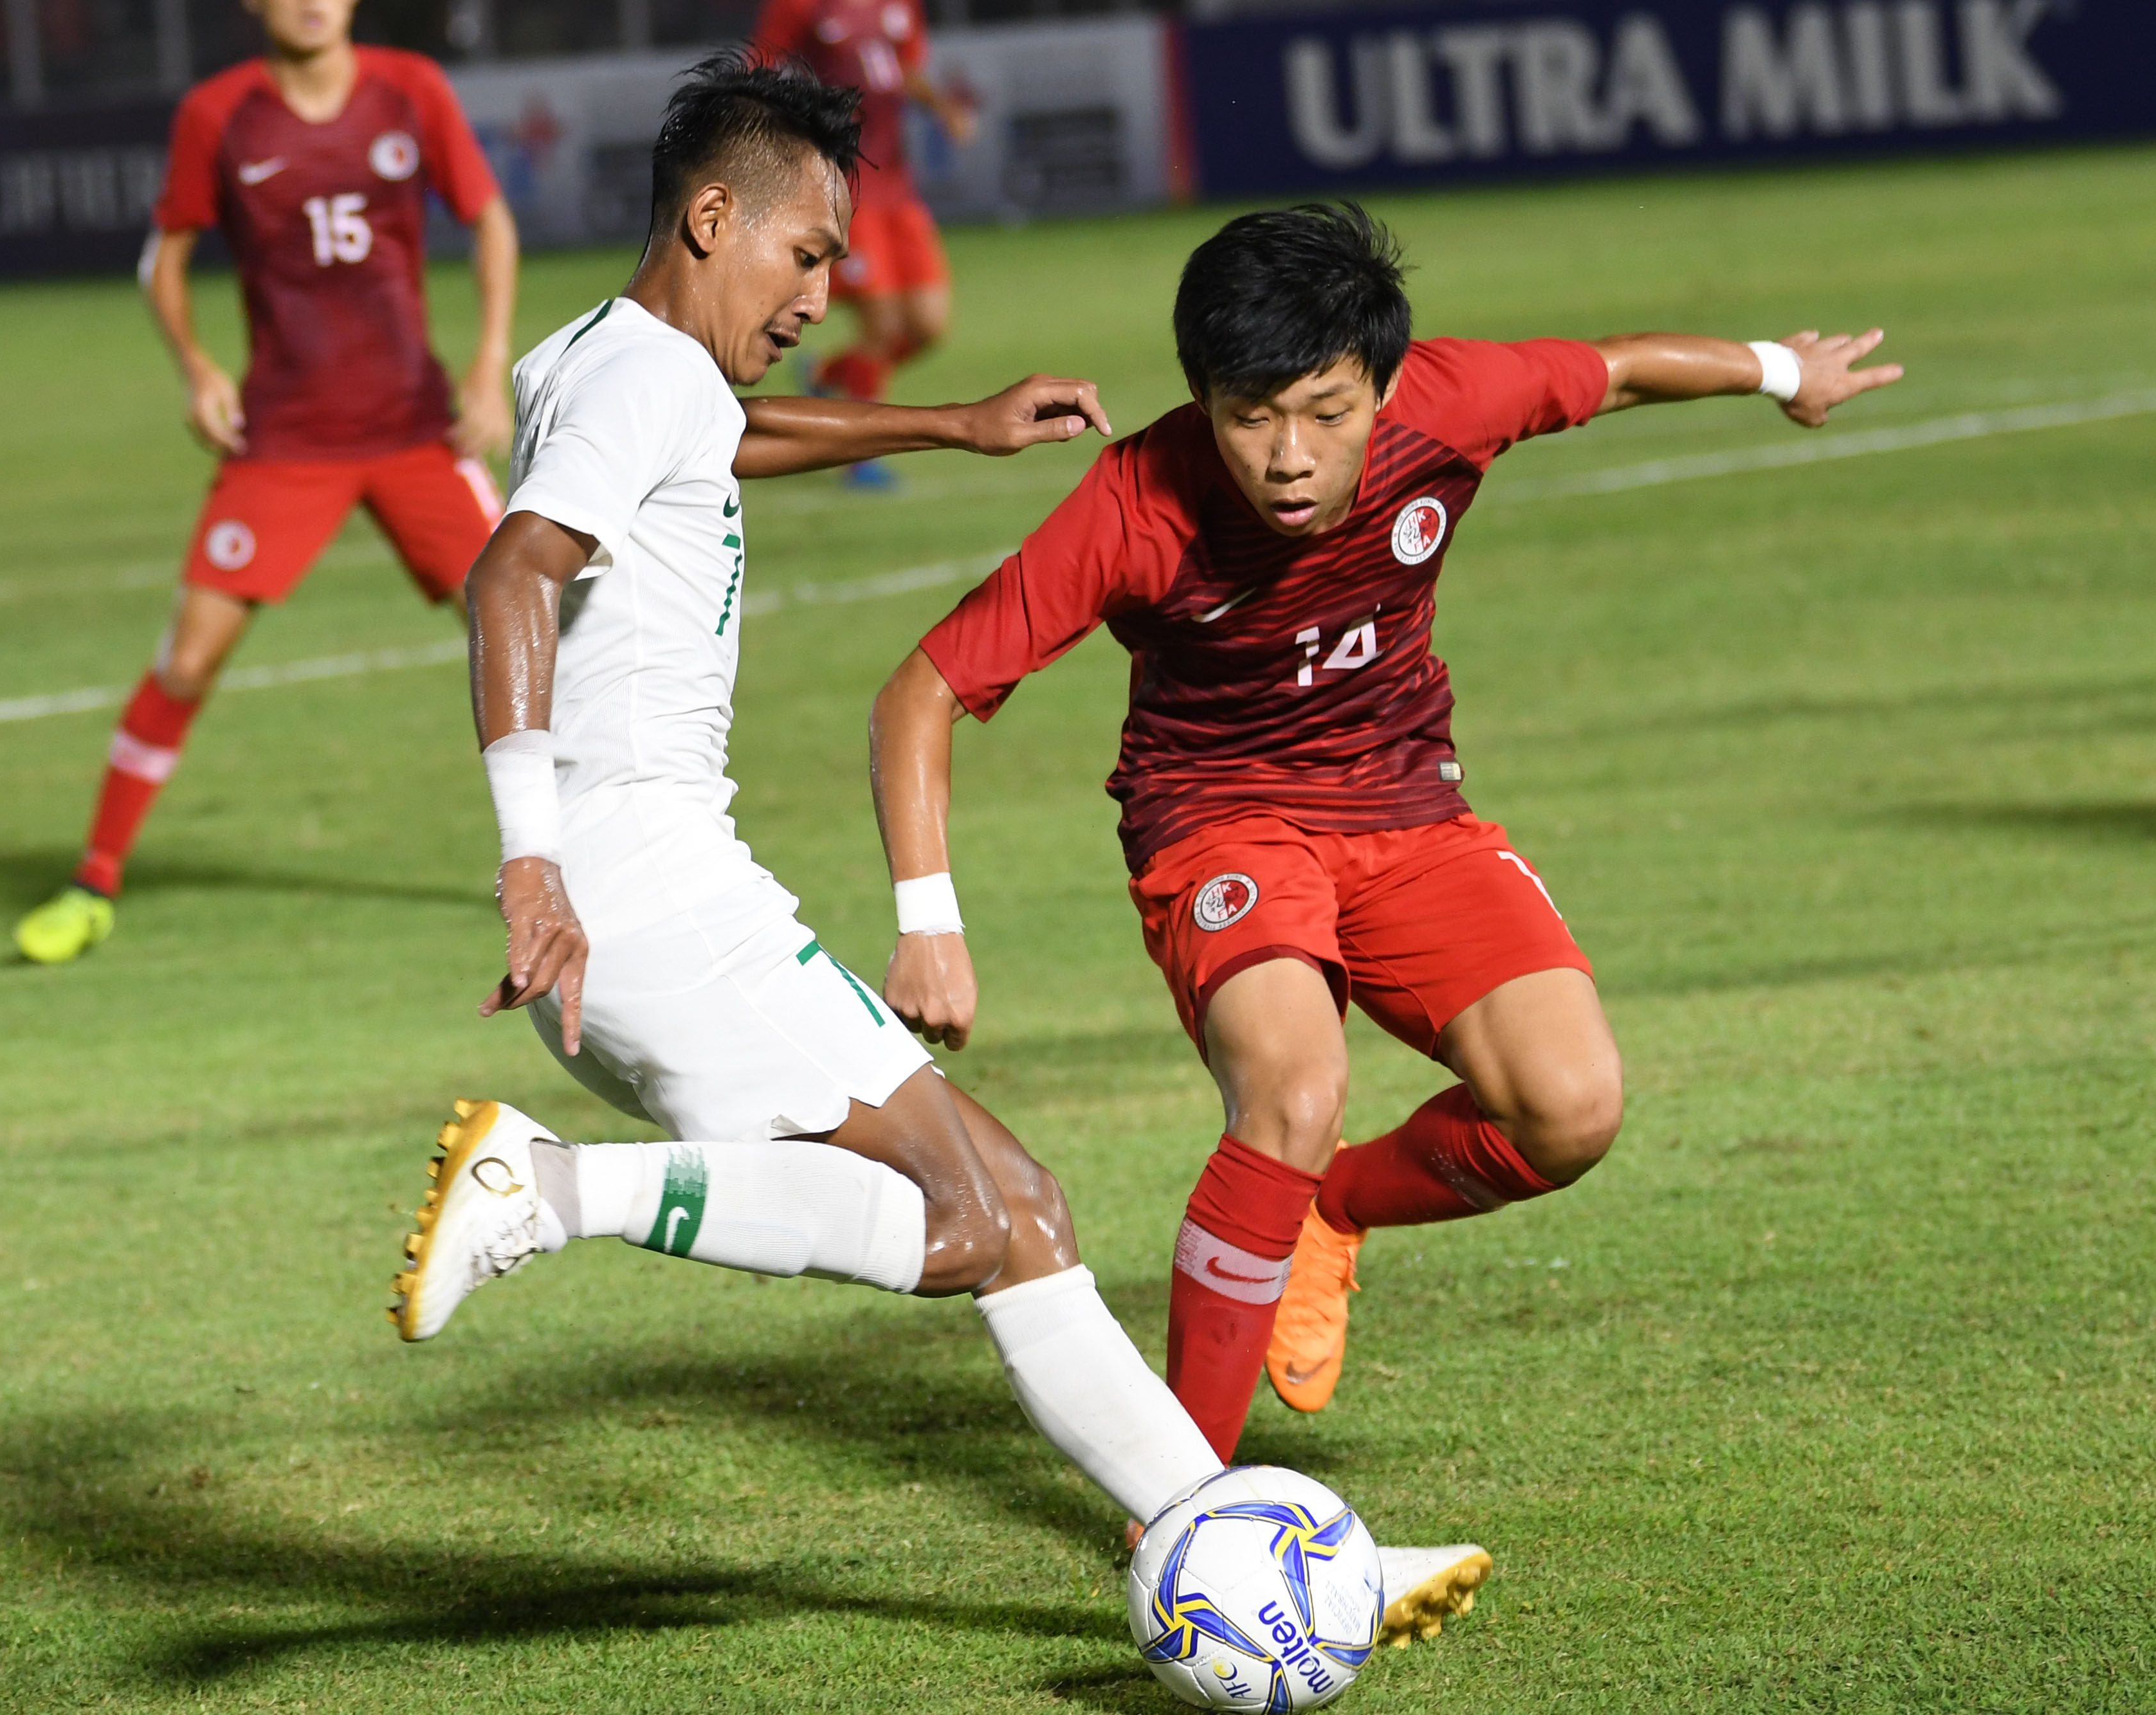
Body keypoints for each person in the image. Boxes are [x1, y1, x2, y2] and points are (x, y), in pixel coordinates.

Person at [386, 56, 1491, 1652]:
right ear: (712, 217)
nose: (821, 293)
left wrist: (949, 425)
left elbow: (720, 433)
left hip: (649, 887)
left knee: (1014, 1213)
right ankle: (549, 1187)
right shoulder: (642, 381)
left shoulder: (599, 359)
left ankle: (1256, 1550)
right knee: (986, 1217)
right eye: (805, 254)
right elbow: (509, 575)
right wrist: (529, 861)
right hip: (647, 884)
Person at [868, 203, 1903, 1463]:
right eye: (1249, 417)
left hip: (1406, 803)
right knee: (1293, 1091)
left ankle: (1333, 1207)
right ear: (1201, 401)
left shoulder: (1452, 403)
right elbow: (922, 692)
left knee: (1570, 1108)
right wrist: (928, 921)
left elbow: (1619, 369)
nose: (1289, 457)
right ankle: (1183, 1498)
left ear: (1385, 385)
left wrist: (1785, 372)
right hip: (1220, 818)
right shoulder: (1134, 504)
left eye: (1326, 411)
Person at [15, 0, 517, 965]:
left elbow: (489, 220)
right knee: (188, 659)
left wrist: (489, 362)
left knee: (528, 641)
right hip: (283, 440)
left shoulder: (411, 90)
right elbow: (164, 261)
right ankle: (94, 880)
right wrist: (197, 367)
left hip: (417, 430)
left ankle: (589, 866)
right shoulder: (219, 113)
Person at [751, 0, 971, 489]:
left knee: (928, 325)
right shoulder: (800, 6)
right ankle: (861, 456)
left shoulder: (900, 6)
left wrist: (941, 108)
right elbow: (757, 71)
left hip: (898, 186)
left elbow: (902, 70)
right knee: (883, 324)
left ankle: (828, 376)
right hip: (844, 188)